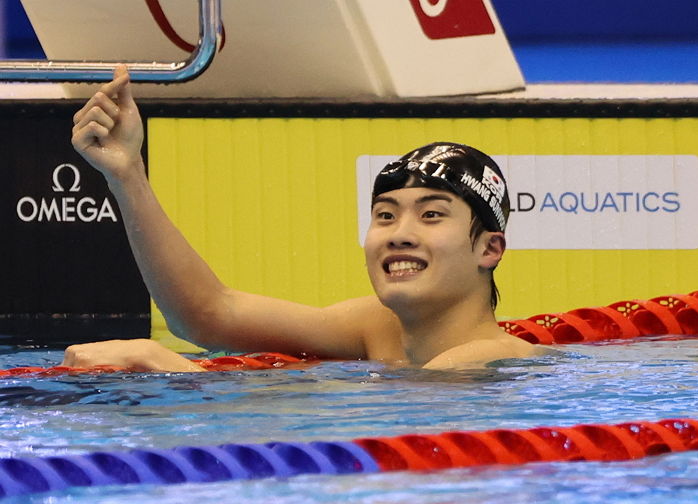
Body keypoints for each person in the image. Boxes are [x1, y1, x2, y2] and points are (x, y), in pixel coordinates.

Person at [63, 66, 540, 372]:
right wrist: (127, 175)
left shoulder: (487, 358)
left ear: (488, 248)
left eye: (431, 214)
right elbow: (208, 316)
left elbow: (388, 423)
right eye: (385, 215)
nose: (400, 235)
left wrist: (171, 371)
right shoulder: (377, 327)